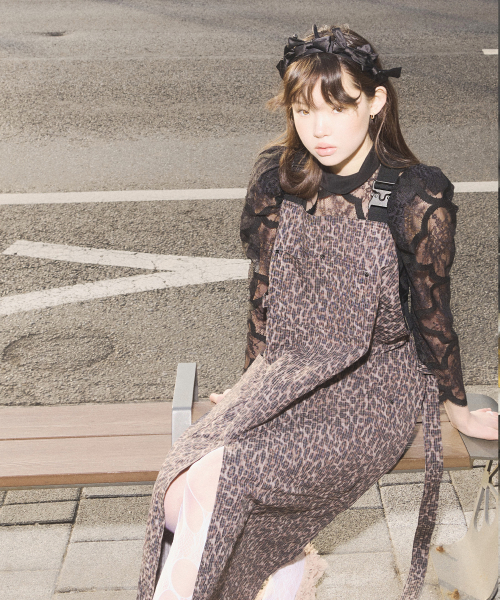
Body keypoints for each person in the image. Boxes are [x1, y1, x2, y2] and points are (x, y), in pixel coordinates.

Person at [137, 24, 498, 600]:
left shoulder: (415, 194)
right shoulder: (278, 179)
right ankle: (285, 567)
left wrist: (457, 406)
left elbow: (433, 311)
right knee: (176, 494)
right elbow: (264, 294)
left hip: (374, 385)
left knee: (213, 488)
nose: (318, 129)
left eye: (337, 107)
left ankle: (264, 572)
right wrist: (252, 385)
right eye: (304, 110)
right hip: (290, 370)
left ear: (375, 102)